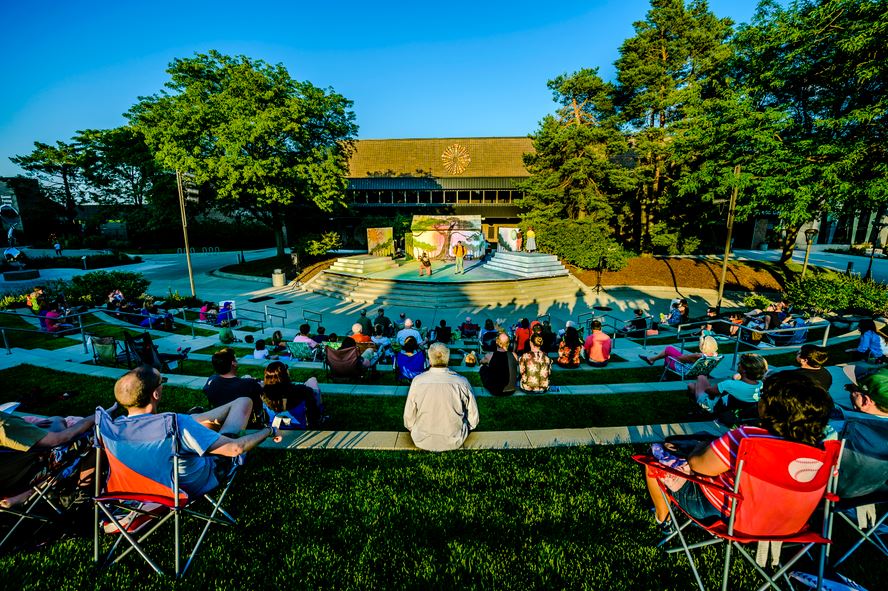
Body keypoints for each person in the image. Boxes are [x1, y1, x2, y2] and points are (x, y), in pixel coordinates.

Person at [644, 372, 833, 532]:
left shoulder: (748, 439)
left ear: (771, 407)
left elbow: (698, 465)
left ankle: (663, 519)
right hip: (788, 521)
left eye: (763, 396)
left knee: (655, 456)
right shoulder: (824, 450)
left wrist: (700, 447)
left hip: (729, 513)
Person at [114, 365, 280, 497]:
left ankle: (201, 419)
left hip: (142, 486)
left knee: (207, 416)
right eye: (161, 382)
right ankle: (204, 422)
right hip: (189, 485)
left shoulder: (114, 428)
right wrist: (269, 431)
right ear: (156, 393)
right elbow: (235, 449)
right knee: (241, 406)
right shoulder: (175, 425)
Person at [403, 342, 479, 452]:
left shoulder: (417, 381)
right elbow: (473, 418)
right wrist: (466, 427)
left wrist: (414, 428)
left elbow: (408, 418)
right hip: (455, 439)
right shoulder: (461, 382)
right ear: (448, 359)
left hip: (422, 439)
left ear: (429, 359)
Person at [203, 348, 266, 427]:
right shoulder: (248, 384)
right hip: (246, 424)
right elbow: (259, 403)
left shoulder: (212, 381)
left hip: (220, 422)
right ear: (233, 363)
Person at [688, 353, 768, 414]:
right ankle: (698, 410)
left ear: (744, 370)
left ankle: (701, 410)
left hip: (715, 408)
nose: (738, 365)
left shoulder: (730, 384)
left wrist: (718, 385)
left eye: (740, 364)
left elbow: (709, 391)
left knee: (700, 377)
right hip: (739, 411)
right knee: (693, 386)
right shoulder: (760, 384)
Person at [261, 361, 324, 429]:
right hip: (299, 427)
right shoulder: (300, 391)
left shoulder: (263, 394)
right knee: (312, 381)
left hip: (272, 428)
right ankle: (319, 418)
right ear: (285, 374)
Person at [639, 335, 719, 370]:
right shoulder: (715, 355)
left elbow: (680, 359)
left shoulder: (697, 355)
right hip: (698, 370)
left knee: (668, 354)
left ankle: (652, 360)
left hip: (684, 368)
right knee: (669, 349)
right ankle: (651, 359)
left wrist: (690, 355)